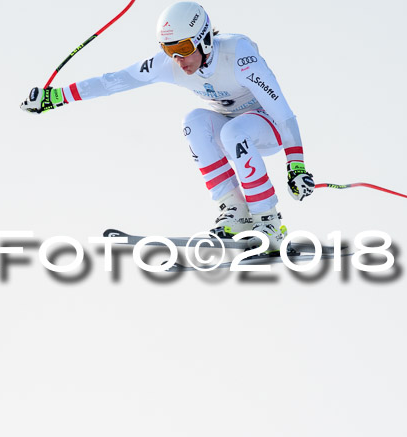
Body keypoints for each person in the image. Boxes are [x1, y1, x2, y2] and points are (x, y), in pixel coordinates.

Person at [21, 1, 315, 252]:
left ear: (204, 39)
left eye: (185, 48)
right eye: (168, 49)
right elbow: (114, 81)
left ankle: (269, 223)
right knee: (194, 122)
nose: (178, 59)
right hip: (232, 126)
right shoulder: (170, 64)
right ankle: (236, 213)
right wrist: (56, 97)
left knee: (232, 132)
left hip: (269, 126)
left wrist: (296, 165)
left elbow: (283, 112)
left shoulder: (238, 55)